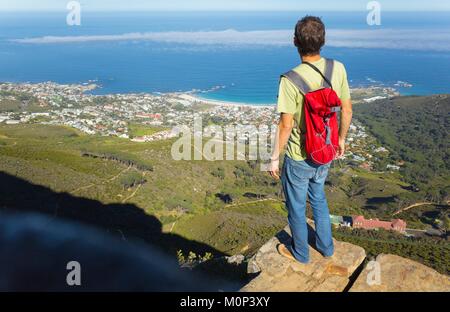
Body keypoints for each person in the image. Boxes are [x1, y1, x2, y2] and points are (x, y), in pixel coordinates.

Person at [269, 16, 353, 264]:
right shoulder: (338, 68)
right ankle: (327, 248)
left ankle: (301, 253)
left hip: (299, 155)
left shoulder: (290, 79)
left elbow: (286, 125)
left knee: (296, 207)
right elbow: (346, 110)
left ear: (295, 41)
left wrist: (274, 158)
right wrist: (341, 140)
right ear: (323, 41)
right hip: (325, 150)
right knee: (319, 198)